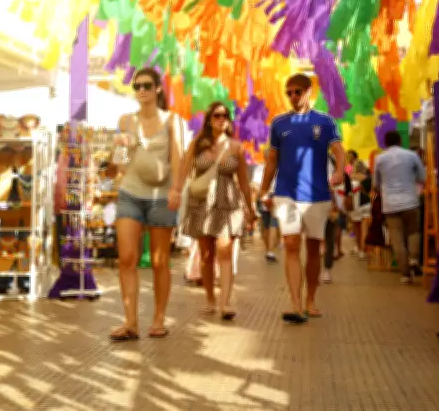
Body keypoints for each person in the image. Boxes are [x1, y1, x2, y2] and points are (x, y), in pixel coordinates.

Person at [259, 73, 345, 323]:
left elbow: (338, 151)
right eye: (289, 93)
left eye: (297, 91)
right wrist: (265, 190)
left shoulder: (325, 122)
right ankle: (295, 303)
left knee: (314, 249)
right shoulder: (278, 124)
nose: (293, 97)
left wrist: (339, 172)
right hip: (286, 194)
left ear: (309, 91)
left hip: (317, 195)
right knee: (292, 245)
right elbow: (272, 160)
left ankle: (311, 300)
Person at [107, 68, 183, 341]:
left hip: (161, 196)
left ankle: (159, 318)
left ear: (158, 89)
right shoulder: (126, 120)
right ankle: (130, 322)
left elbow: (178, 159)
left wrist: (176, 189)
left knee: (160, 262)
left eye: (147, 85)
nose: (141, 90)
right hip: (131, 192)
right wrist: (119, 146)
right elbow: (119, 163)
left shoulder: (174, 121)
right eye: (137, 85)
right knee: (127, 258)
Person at [175, 102, 255, 320]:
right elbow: (183, 172)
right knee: (207, 255)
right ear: (209, 119)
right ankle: (210, 297)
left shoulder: (236, 147)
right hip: (201, 203)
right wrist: (174, 192)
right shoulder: (197, 145)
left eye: (225, 115)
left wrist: (251, 207)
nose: (222, 119)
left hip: (227, 203)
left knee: (225, 250)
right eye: (217, 115)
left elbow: (244, 182)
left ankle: (225, 302)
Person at [373, 130, 426, 284]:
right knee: (413, 232)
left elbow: (376, 184)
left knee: (397, 239)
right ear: (400, 141)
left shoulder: (380, 159)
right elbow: (422, 177)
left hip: (390, 205)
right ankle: (414, 259)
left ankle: (405, 274)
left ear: (385, 143)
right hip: (410, 201)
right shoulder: (412, 155)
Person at [322, 159, 352, 283]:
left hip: (331, 209)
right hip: (315, 206)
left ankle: (327, 268)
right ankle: (322, 268)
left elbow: (347, 186)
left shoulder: (340, 173)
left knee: (329, 238)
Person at [349, 162, 372, 260]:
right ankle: (363, 252)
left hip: (354, 207)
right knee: (364, 230)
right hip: (366, 205)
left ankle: (358, 248)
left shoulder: (350, 178)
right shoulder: (368, 178)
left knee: (356, 230)